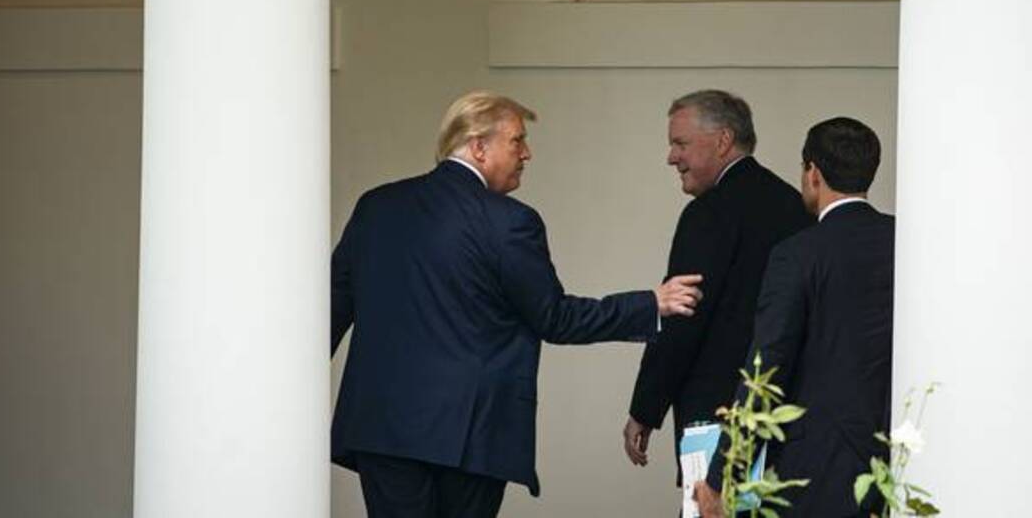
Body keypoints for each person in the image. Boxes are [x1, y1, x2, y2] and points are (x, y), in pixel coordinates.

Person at [331, 91, 704, 518]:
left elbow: (329, 311)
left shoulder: (376, 207)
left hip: (381, 430)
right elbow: (555, 318)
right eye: (517, 141)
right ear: (477, 146)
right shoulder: (508, 221)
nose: (527, 153)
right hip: (468, 435)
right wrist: (651, 303)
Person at [696, 117, 895, 518]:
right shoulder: (904, 242)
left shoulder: (798, 254)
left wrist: (724, 478)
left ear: (812, 173)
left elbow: (766, 366)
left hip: (815, 469)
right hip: (898, 456)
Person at [622, 91, 811, 483]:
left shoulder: (706, 214)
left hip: (714, 420)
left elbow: (681, 317)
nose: (671, 157)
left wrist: (645, 408)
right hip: (788, 421)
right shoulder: (796, 207)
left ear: (723, 140)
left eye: (680, 143)